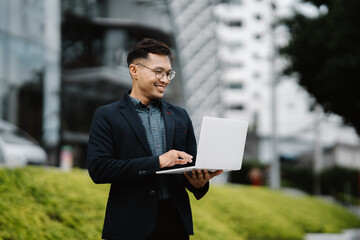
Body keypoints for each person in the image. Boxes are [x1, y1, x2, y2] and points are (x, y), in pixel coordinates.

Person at [87, 38, 223, 240]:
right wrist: (158, 162)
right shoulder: (107, 115)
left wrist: (199, 182)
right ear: (134, 70)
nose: (165, 79)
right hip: (128, 225)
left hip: (175, 225)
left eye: (169, 73)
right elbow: (99, 169)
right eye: (158, 72)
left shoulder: (180, 116)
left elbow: (190, 165)